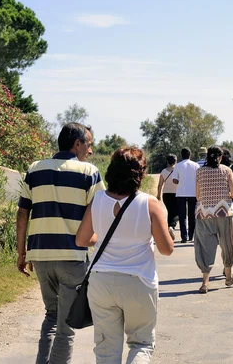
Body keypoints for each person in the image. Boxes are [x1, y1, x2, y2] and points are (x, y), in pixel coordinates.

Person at [16, 122, 106, 364]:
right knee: (65, 326)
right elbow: (101, 213)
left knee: (51, 316)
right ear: (77, 144)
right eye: (88, 145)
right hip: (73, 258)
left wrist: (21, 253)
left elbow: (22, 213)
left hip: (41, 257)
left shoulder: (34, 169)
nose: (90, 151)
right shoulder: (89, 172)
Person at [76, 147, 174, 363]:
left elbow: (82, 240)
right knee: (141, 343)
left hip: (101, 281)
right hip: (138, 281)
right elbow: (167, 249)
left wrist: (104, 240)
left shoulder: (98, 199)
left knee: (106, 350)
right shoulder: (150, 204)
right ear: (140, 173)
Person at [193, 146, 233, 294]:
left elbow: (198, 196)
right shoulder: (227, 170)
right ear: (220, 157)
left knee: (205, 247)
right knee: (228, 243)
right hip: (224, 213)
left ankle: (205, 283)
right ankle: (228, 276)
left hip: (204, 214)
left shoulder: (199, 171)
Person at [172, 148, 199, 243]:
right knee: (192, 215)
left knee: (182, 216)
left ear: (181, 155)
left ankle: (184, 236)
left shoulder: (178, 166)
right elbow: (199, 179)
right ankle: (191, 236)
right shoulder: (196, 165)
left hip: (181, 193)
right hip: (193, 193)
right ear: (190, 154)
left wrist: (181, 182)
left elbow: (174, 180)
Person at [157, 154, 179, 233]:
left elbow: (160, 184)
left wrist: (158, 195)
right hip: (176, 194)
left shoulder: (163, 171)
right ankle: (172, 226)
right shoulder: (178, 170)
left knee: (170, 211)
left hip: (166, 194)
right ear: (175, 161)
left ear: (167, 161)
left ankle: (169, 228)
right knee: (177, 212)